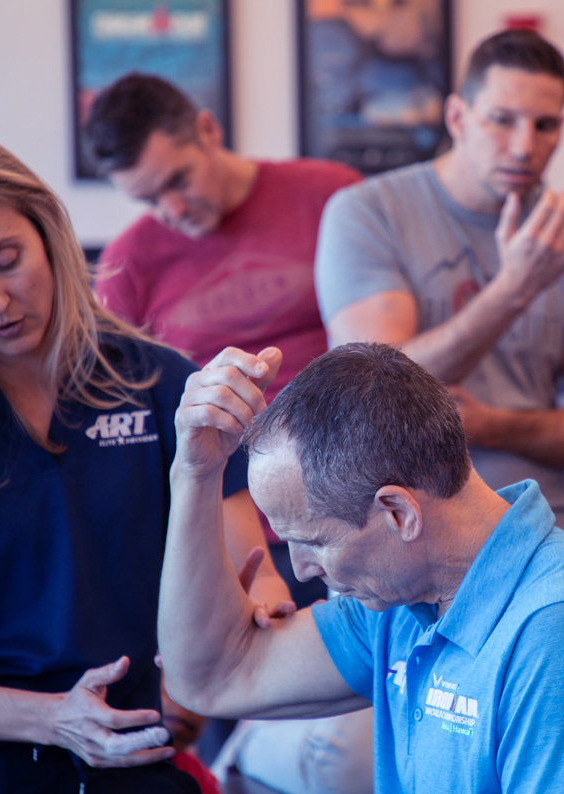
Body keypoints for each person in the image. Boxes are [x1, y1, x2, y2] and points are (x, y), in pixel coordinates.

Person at [0, 127, 291, 794]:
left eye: (7, 259)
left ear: (47, 232)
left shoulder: (157, 384)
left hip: (122, 754)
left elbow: (252, 577)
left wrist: (260, 615)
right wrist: (54, 720)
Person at [159, 342, 564, 794]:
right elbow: (210, 676)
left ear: (399, 513)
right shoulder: (401, 603)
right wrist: (195, 472)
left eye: (313, 541)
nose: (298, 569)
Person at [314, 29, 564, 537]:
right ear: (458, 117)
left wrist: (496, 425)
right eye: (502, 120)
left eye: (544, 125)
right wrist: (514, 290)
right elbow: (368, 398)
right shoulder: (369, 212)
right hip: (400, 533)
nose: (525, 146)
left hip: (541, 534)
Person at [85, 72, 360, 609]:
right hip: (233, 529)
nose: (173, 210)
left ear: (208, 130)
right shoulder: (127, 264)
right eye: (150, 200)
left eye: (178, 180)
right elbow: (121, 415)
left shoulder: (332, 196)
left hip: (352, 503)